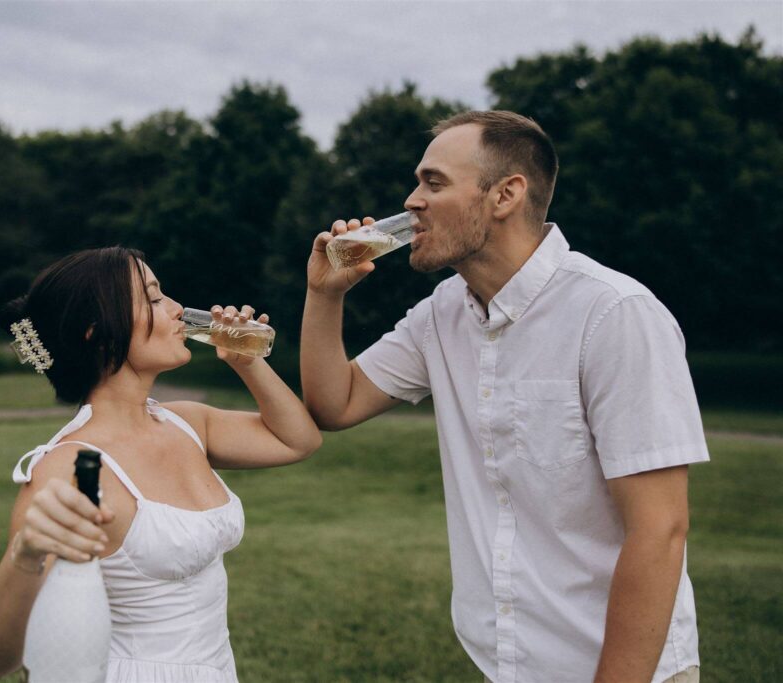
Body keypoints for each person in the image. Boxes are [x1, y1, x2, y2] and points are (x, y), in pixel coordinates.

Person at [300, 110, 708, 683]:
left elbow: (660, 529)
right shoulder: (442, 314)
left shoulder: (615, 314)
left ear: (505, 195)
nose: (412, 200)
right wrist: (325, 296)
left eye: (433, 182)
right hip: (507, 666)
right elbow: (334, 404)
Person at [0, 246, 322, 681]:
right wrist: (24, 555)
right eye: (154, 298)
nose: (177, 309)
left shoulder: (188, 423)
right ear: (94, 331)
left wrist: (248, 364)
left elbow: (298, 441)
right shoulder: (68, 469)